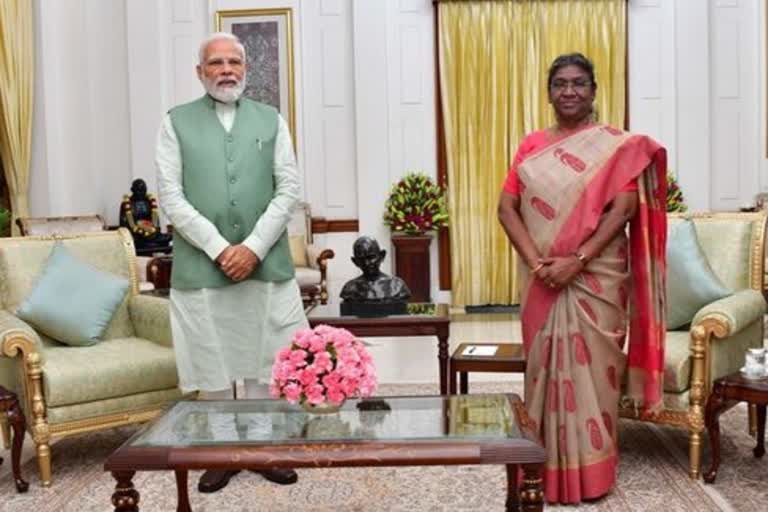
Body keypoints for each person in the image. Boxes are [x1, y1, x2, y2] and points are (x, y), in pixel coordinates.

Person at [497, 53, 667, 504]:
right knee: (541, 373)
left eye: (578, 83)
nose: (568, 91)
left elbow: (623, 210)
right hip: (541, 278)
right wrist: (538, 263)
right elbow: (506, 209)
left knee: (594, 376)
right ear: (549, 92)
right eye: (559, 84)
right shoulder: (531, 146)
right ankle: (540, 469)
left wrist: (578, 259)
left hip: (596, 278)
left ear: (593, 91)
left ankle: (592, 476)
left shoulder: (614, 147)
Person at [155, 32, 307, 493]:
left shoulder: (272, 120)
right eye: (216, 63)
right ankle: (219, 452)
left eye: (234, 62)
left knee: (266, 355)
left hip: (264, 262)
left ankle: (262, 448)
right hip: (203, 265)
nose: (226, 70)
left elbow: (288, 189)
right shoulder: (173, 122)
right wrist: (221, 248)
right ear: (200, 72)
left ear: (246, 68)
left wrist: (253, 248)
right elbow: (170, 197)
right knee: (211, 355)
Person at [340, 236, 411, 303]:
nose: (366, 263)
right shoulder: (350, 288)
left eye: (371, 257)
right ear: (355, 262)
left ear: (382, 256)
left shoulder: (397, 286)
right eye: (361, 259)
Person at [118, 178, 172, 253]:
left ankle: (152, 240)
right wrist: (136, 231)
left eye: (143, 190)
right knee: (134, 241)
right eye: (139, 190)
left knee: (167, 237)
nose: (141, 193)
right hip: (135, 234)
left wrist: (155, 229)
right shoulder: (127, 204)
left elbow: (155, 220)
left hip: (150, 232)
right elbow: (123, 224)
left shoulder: (149, 201)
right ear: (132, 190)